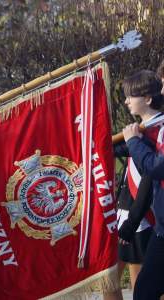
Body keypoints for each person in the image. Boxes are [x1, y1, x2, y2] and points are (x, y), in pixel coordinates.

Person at [105, 70, 164, 300]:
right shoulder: (146, 131)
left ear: (147, 100)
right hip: (161, 228)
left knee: (145, 290)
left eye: (131, 96)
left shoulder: (157, 130)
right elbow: (119, 149)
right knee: (144, 292)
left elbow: (155, 169)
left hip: (153, 224)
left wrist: (132, 141)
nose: (162, 86)